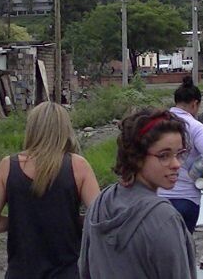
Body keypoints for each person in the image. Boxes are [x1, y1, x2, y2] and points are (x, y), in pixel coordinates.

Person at [0, 101, 100, 279]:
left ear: (32, 128)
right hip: (67, 273)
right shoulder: (78, 166)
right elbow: (99, 219)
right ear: (65, 129)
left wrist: (22, 219)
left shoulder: (8, 166)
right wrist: (69, 219)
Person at [79, 109, 196, 279]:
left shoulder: (99, 203)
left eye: (179, 154)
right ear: (137, 157)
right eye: (164, 155)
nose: (176, 164)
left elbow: (84, 269)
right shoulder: (164, 218)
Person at [158, 76, 203, 234]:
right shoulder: (195, 127)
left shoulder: (159, 123)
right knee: (183, 248)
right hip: (186, 198)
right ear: (195, 104)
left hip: (157, 197)